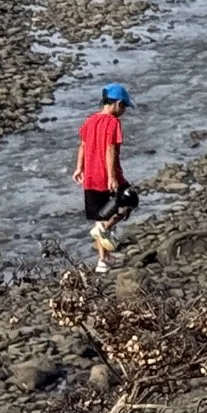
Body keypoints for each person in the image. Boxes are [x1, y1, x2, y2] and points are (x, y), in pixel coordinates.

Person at [74, 82, 137, 274]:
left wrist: (78, 168)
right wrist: (112, 177)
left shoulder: (90, 120)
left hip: (90, 177)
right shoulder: (113, 123)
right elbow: (110, 149)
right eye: (124, 106)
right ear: (117, 104)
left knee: (99, 217)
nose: (124, 110)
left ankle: (103, 261)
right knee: (131, 200)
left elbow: (83, 145)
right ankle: (107, 229)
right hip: (106, 176)